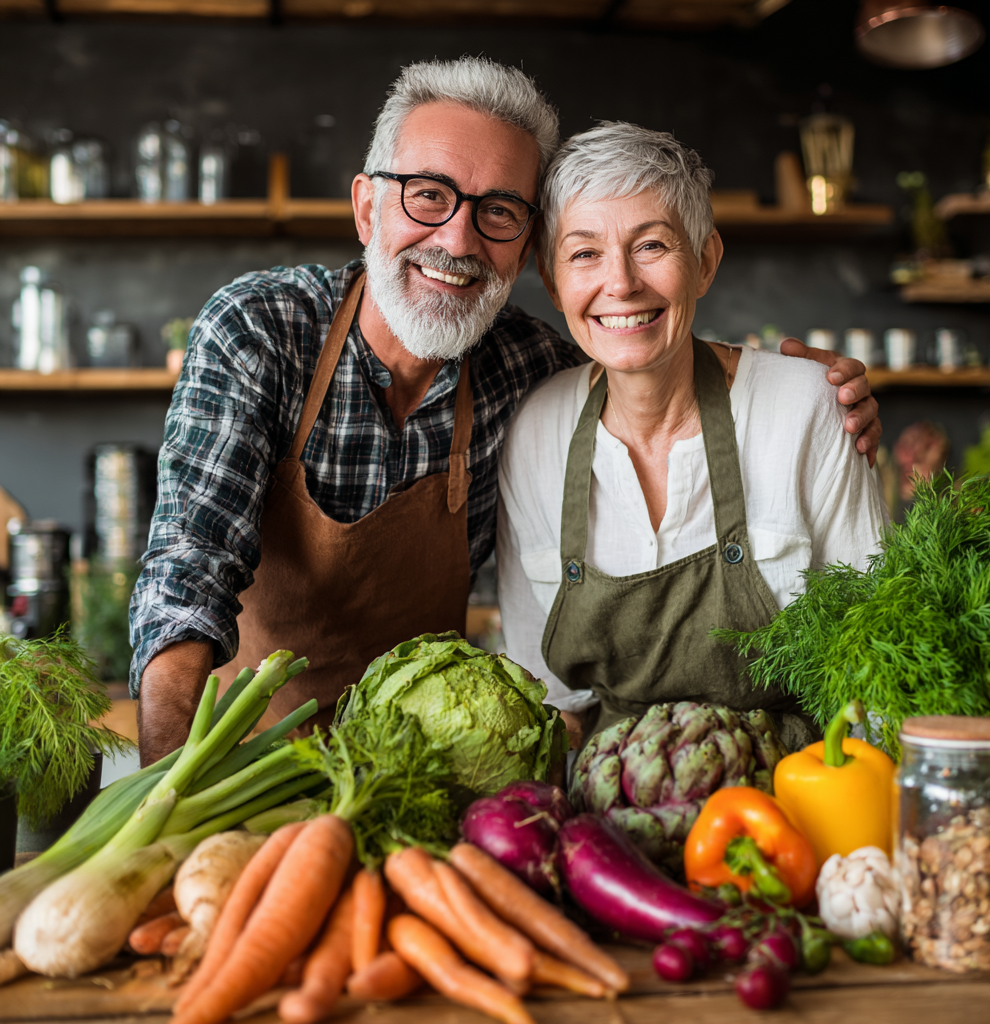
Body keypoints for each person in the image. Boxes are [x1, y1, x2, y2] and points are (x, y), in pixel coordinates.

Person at [131, 58, 881, 766]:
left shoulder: (528, 370)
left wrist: (799, 389)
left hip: (418, 770)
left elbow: (636, 338)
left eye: (497, 212)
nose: (457, 239)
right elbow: (186, 580)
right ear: (366, 208)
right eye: (428, 194)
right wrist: (168, 801)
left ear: (526, 252)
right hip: (241, 767)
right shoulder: (261, 331)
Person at [496, 123, 888, 754]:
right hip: (614, 802)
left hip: (794, 799)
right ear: (550, 276)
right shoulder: (535, 432)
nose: (619, 284)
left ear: (705, 261)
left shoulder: (806, 409)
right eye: (584, 253)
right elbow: (549, 703)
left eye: (651, 245)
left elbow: (880, 666)